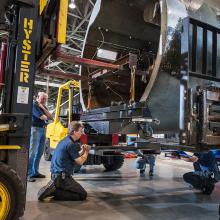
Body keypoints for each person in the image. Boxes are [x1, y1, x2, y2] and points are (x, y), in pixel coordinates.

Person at [37, 121, 91, 201]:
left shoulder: (65, 140)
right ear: (75, 132)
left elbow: (73, 155)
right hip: (62, 178)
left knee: (76, 191)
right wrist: (86, 151)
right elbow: (80, 162)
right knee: (82, 195)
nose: (81, 133)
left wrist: (82, 151)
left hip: (56, 175)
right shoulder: (71, 145)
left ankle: (54, 187)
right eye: (80, 131)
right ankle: (54, 191)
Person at [28, 92, 53, 182]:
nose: (44, 100)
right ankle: (29, 174)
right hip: (35, 129)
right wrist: (46, 115)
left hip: (43, 130)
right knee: (33, 152)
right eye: (42, 98)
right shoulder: (34, 105)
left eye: (45, 99)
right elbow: (43, 117)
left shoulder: (43, 106)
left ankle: (35, 172)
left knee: (39, 152)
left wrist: (42, 108)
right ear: (38, 97)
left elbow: (51, 117)